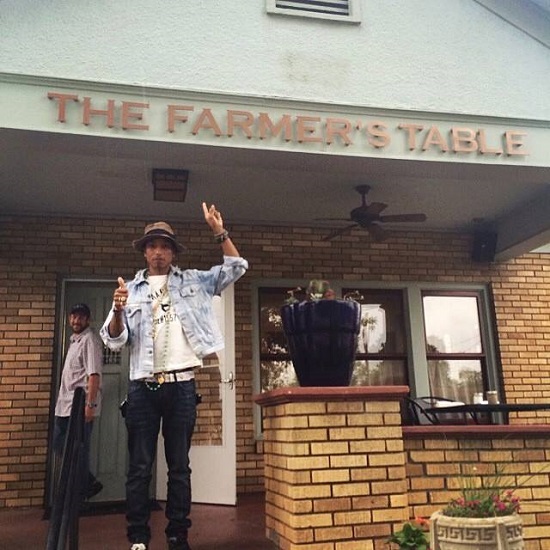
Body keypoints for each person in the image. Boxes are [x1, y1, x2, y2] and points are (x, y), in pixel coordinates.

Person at [100, 203, 248, 550]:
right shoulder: (129, 290)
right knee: (140, 467)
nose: (158, 252)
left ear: (173, 252)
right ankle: (138, 535)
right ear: (144, 251)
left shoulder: (193, 280)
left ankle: (178, 534)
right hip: (142, 387)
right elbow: (114, 340)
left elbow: (237, 267)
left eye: (165, 246)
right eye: (152, 246)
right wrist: (118, 310)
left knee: (179, 466)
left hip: (181, 386)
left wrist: (218, 230)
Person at [53, 303, 103, 501]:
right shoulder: (74, 341)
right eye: (74, 316)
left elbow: (94, 375)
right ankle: (86, 482)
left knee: (78, 448)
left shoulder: (89, 340)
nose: (76, 320)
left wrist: (90, 406)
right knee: (60, 444)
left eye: (81, 317)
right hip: (64, 406)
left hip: (79, 408)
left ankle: (82, 489)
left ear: (87, 320)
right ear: (69, 318)